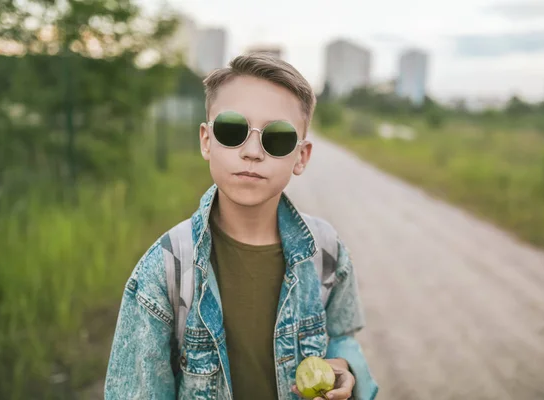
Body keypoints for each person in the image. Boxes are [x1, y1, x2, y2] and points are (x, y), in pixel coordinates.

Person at [104, 53, 379, 400]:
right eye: (232, 130)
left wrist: (345, 371)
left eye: (276, 137)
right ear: (206, 141)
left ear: (301, 156)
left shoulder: (326, 250)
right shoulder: (167, 267)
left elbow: (342, 337)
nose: (252, 152)